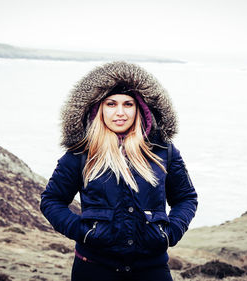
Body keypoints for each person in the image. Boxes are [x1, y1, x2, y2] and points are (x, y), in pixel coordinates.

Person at [40, 61, 197, 281]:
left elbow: (186, 198)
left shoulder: (163, 151)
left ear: (141, 109)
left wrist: (170, 233)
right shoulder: (81, 153)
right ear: (98, 109)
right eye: (111, 104)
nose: (120, 112)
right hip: (93, 268)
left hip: (151, 269)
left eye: (128, 104)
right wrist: (84, 232)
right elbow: (51, 200)